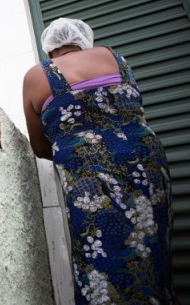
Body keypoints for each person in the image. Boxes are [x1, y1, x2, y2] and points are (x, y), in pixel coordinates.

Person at [22, 18, 175, 304]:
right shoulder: (115, 58)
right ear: (83, 40)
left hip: (90, 176)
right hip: (147, 162)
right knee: (155, 250)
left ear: (49, 50)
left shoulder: (37, 75)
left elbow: (40, 147)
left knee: (102, 257)